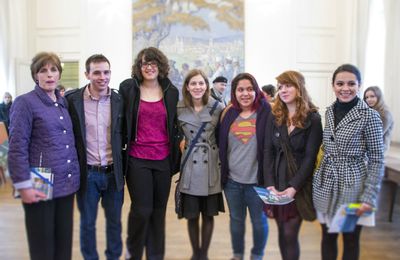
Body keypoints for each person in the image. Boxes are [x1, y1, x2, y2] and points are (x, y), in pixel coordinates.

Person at [8, 52, 80, 260]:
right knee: (43, 247)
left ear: (59, 74)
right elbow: (17, 147)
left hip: (66, 181)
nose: (49, 75)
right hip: (39, 179)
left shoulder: (62, 102)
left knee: (63, 243)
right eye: (43, 70)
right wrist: (23, 185)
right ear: (35, 75)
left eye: (53, 69)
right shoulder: (25, 103)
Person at [313, 64, 384, 260]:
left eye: (351, 83)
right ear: (333, 85)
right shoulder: (328, 112)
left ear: (359, 85)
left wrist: (369, 196)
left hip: (354, 185)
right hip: (326, 184)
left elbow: (377, 159)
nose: (345, 88)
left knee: (350, 239)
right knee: (327, 237)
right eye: (340, 83)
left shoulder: (370, 115)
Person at [119, 47, 180, 260]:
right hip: (137, 159)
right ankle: (133, 253)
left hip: (163, 159)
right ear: (139, 67)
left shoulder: (171, 92)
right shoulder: (129, 89)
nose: (149, 67)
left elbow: (174, 123)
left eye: (153, 63)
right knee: (142, 210)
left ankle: (155, 255)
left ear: (160, 66)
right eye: (145, 63)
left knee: (158, 211)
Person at [65, 54, 124, 260]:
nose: (102, 77)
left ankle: (113, 257)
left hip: (113, 173)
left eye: (106, 72)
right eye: (96, 72)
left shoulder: (119, 100)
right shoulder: (72, 101)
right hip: (87, 175)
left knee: (114, 222)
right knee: (87, 223)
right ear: (87, 74)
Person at [263, 71, 322, 260]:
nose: (283, 90)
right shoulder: (275, 116)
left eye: (288, 85)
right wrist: (270, 184)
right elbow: (268, 152)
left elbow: (310, 158)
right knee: (281, 232)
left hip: (298, 185)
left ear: (299, 88)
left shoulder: (313, 118)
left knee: (290, 234)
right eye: (280, 86)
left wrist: (293, 187)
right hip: (277, 184)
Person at [219, 73, 270, 260]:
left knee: (259, 222)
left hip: (258, 182)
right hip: (232, 182)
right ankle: (238, 254)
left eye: (250, 89)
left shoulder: (266, 112)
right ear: (234, 92)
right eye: (241, 89)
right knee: (236, 220)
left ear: (256, 90)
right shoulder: (229, 113)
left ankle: (257, 255)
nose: (245, 93)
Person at [177, 69, 225, 260]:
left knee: (208, 214)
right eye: (193, 83)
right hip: (189, 165)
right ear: (187, 87)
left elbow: (223, 137)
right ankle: (195, 253)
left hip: (211, 165)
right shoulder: (179, 108)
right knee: (191, 215)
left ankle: (203, 254)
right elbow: (173, 134)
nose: (197, 87)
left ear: (207, 85)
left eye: (201, 83)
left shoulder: (218, 107)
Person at [363, 86, 394, 154]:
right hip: (368, 145)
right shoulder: (369, 111)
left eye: (372, 96)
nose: (369, 99)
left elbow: (376, 136)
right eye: (366, 97)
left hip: (379, 147)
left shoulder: (385, 114)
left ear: (379, 97)